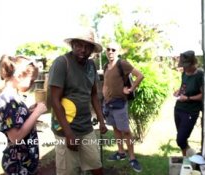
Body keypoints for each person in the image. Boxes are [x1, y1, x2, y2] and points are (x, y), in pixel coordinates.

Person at [48, 27, 108, 175]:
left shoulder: (91, 65)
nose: (83, 50)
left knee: (96, 165)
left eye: (88, 47)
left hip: (86, 127)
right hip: (65, 129)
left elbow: (94, 94)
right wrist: (68, 133)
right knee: (69, 171)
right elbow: (54, 100)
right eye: (79, 45)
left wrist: (101, 121)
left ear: (92, 50)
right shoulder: (62, 63)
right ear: (72, 44)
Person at [0, 55, 47, 175]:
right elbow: (15, 138)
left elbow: (16, 120)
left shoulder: (13, 97)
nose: (33, 84)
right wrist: (37, 114)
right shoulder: (6, 100)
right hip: (17, 164)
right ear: (18, 76)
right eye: (32, 80)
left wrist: (29, 112)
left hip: (25, 161)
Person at [102, 42, 144, 173]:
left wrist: (131, 89)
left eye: (113, 49)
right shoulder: (105, 66)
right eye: (108, 49)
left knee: (125, 131)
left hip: (120, 103)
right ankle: (121, 152)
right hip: (109, 103)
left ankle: (132, 158)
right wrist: (104, 94)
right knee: (115, 128)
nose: (110, 52)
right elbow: (106, 83)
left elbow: (140, 76)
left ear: (118, 51)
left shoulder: (122, 64)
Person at [173, 50, 204, 157]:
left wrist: (188, 98)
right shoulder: (184, 74)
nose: (184, 68)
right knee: (183, 141)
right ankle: (186, 162)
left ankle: (193, 158)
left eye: (186, 65)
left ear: (192, 63)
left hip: (190, 111)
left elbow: (203, 95)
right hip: (178, 109)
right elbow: (184, 87)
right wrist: (178, 91)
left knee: (180, 139)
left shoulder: (200, 75)